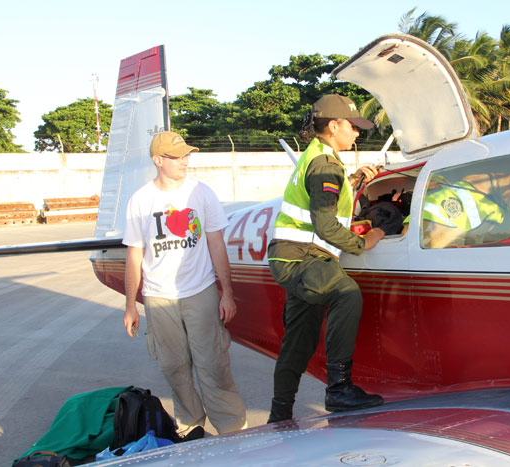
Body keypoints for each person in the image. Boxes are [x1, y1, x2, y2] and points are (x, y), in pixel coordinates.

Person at [266, 94, 386, 423]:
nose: (357, 133)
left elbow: (322, 200)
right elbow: (326, 223)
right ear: (334, 126)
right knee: (346, 294)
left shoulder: (318, 157)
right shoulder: (326, 164)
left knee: (299, 340)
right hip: (304, 258)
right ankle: (339, 389)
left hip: (293, 259)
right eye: (353, 126)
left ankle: (279, 415)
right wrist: (365, 241)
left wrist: (357, 180)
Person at [122, 131, 247, 438]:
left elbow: (217, 244)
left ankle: (234, 430)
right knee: (174, 367)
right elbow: (134, 254)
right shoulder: (140, 200)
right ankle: (191, 428)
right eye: (176, 157)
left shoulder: (201, 193)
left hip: (200, 291)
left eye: (186, 155)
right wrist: (129, 306)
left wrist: (226, 293)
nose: (184, 162)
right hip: (158, 298)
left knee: (213, 364)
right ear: (158, 161)